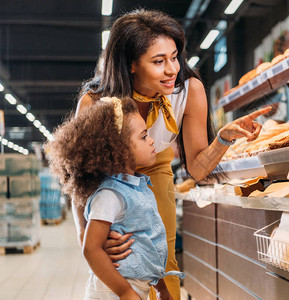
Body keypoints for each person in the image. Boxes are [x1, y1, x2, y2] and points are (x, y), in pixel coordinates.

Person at [75, 9, 271, 300]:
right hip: (105, 178)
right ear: (131, 65)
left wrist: (223, 138)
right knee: (116, 257)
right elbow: (79, 178)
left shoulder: (188, 91)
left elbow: (197, 167)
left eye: (174, 56)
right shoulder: (96, 102)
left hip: (156, 167)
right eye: (158, 61)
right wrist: (85, 237)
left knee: (162, 256)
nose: (172, 69)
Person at [48, 97, 183, 299]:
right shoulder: (110, 195)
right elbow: (91, 249)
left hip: (133, 286)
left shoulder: (138, 187)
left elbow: (147, 243)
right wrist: (125, 292)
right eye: (143, 136)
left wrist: (161, 287)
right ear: (119, 150)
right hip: (112, 289)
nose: (151, 140)